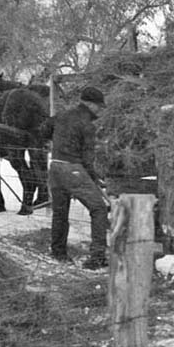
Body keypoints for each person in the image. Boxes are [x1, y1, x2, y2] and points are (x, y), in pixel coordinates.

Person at [49, 86, 109, 269]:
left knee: (60, 212)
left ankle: (58, 252)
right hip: (73, 169)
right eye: (99, 106)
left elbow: (44, 130)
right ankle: (97, 257)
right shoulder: (87, 125)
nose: (99, 110)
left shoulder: (60, 116)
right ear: (89, 104)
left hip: (55, 166)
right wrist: (94, 178)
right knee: (99, 208)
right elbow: (87, 159)